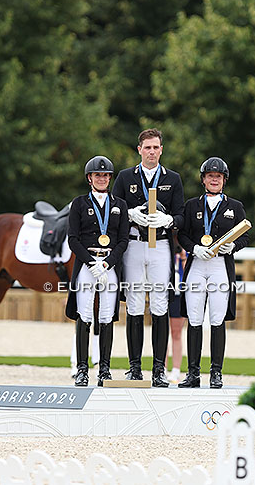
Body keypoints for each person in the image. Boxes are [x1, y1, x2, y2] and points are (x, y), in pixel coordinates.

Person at [111, 129, 184, 387]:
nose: (152, 152)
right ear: (139, 149)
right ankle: (134, 367)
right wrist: (130, 214)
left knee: (160, 304)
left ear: (161, 150)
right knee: (133, 303)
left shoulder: (173, 179)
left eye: (156, 147)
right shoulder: (125, 177)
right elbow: (113, 208)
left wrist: (169, 220)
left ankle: (158, 370)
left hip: (161, 246)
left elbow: (181, 216)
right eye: (147, 147)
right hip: (133, 244)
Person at [177, 157, 249, 389]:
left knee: (217, 319)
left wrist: (233, 246)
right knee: (195, 319)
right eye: (210, 176)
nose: (214, 179)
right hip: (198, 264)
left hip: (220, 266)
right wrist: (193, 248)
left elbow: (245, 235)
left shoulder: (234, 207)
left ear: (224, 180)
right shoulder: (192, 206)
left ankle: (216, 372)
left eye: (218, 176)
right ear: (203, 179)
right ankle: (193, 373)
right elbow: (182, 234)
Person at [66, 156, 129, 387]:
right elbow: (73, 239)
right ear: (89, 178)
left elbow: (123, 240)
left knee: (106, 316)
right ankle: (82, 368)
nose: (102, 178)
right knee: (84, 314)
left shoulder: (119, 205)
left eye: (105, 175)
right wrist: (91, 261)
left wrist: (107, 263)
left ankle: (104, 368)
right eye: (97, 175)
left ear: (110, 178)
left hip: (108, 265)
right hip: (87, 264)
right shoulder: (79, 203)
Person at [167, 246, 187, 382]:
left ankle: (176, 369)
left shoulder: (185, 248)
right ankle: (160, 368)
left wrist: (183, 256)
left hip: (179, 292)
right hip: (163, 290)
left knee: (176, 332)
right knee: (161, 332)